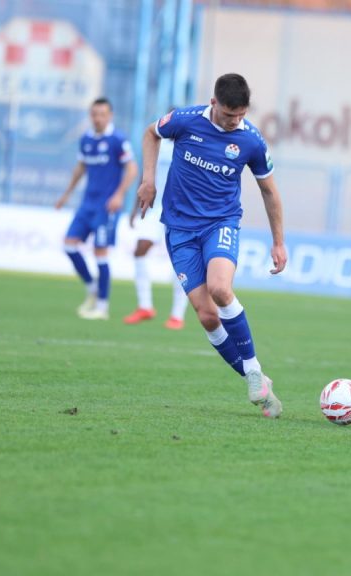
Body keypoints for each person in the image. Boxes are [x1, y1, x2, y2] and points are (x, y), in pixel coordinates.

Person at [136, 73, 287, 419]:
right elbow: (150, 133)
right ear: (214, 103)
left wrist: (278, 242)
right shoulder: (186, 120)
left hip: (220, 224)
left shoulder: (251, 141)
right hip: (179, 229)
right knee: (206, 316)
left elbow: (269, 191)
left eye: (241, 115)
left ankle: (253, 370)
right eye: (229, 115)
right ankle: (257, 382)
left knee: (220, 289)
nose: (235, 122)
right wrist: (148, 180)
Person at [55, 97, 139, 320]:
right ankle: (92, 286)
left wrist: (119, 195)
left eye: (102, 114)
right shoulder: (86, 139)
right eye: (94, 114)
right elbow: (80, 167)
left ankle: (102, 307)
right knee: (69, 245)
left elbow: (132, 168)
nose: (98, 118)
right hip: (87, 204)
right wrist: (66, 194)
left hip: (106, 207)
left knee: (100, 253)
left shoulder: (117, 139)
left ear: (110, 116)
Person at [123, 136, 190, 330]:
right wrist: (135, 209)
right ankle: (145, 306)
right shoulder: (158, 144)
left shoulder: (192, 145)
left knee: (181, 260)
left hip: (180, 212)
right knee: (140, 250)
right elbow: (146, 176)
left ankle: (177, 315)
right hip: (155, 209)